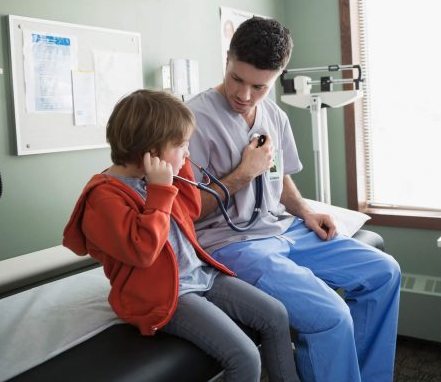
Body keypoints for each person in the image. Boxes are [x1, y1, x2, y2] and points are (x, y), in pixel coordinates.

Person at [187, 17, 401, 382]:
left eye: (259, 86)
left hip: (283, 229)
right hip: (232, 245)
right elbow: (186, 211)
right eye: (237, 79)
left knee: (385, 272)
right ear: (227, 57)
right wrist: (243, 173)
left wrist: (305, 211)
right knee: (331, 316)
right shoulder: (192, 119)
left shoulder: (274, 115)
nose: (244, 95)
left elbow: (279, 178)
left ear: (278, 76)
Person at [63, 89, 299, 382]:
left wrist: (178, 166)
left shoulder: (154, 177)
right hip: (164, 295)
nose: (188, 152)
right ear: (150, 152)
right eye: (182, 145)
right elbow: (143, 251)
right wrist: (160, 191)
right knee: (245, 357)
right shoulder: (104, 199)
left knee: (275, 316)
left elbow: (192, 207)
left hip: (199, 276)